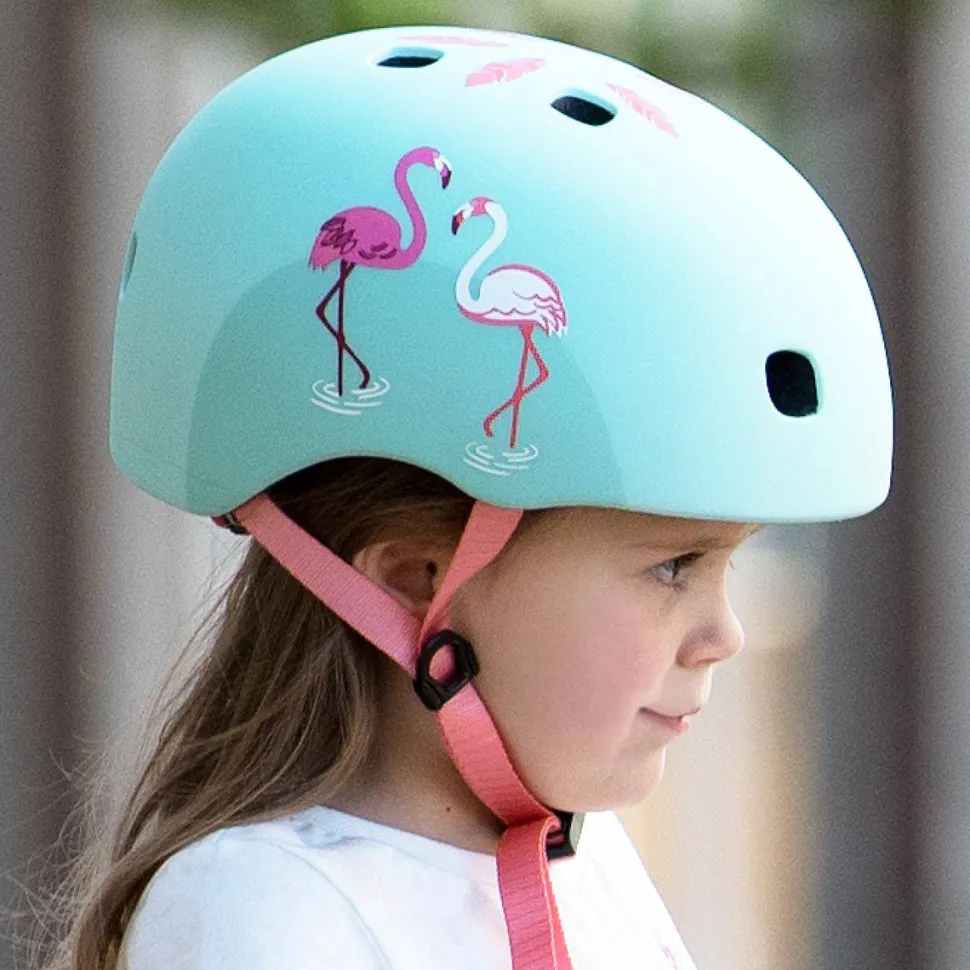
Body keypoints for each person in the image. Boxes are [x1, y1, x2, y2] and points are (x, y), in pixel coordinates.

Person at [43, 22, 893, 970]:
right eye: (673, 567)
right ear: (415, 577)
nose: (724, 633)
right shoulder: (260, 911)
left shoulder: (581, 858)